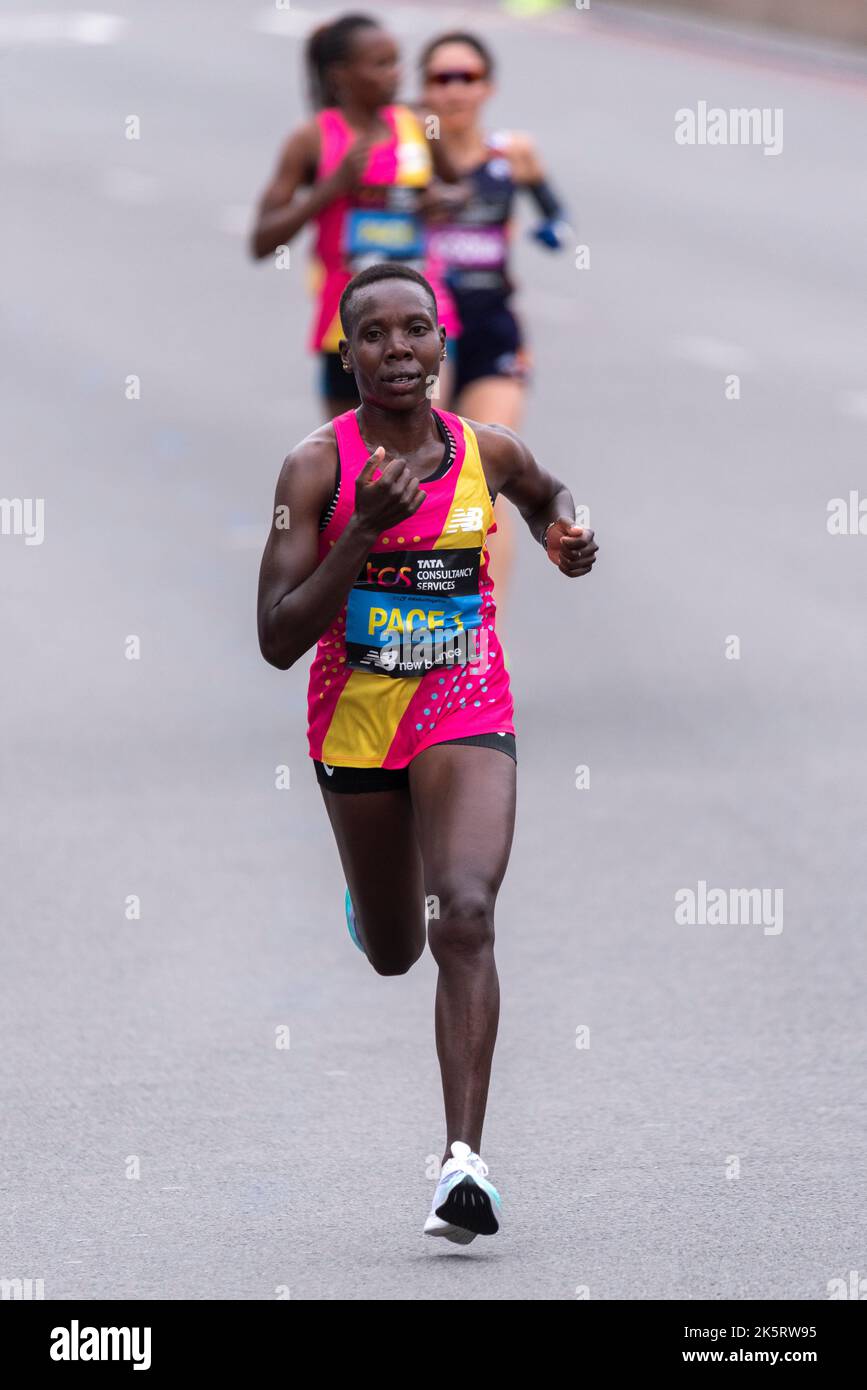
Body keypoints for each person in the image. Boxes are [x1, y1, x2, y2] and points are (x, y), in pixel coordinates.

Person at [257, 263, 598, 1242]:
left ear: (443, 347)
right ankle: (379, 899)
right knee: (400, 950)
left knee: (470, 912)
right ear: (347, 350)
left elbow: (548, 492)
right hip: (358, 720)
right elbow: (278, 637)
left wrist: (567, 534)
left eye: (417, 331)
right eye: (375, 335)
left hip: (464, 699)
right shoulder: (313, 470)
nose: (398, 350)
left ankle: (463, 1164)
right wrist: (362, 528)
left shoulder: (485, 450)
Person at [417, 31, 570, 625]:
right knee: (422, 478)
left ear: (488, 87)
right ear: (424, 87)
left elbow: (557, 213)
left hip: (494, 332)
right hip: (422, 339)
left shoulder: (514, 154)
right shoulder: (406, 155)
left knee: (487, 477)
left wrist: (554, 231)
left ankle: (486, 638)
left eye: (468, 77)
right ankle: (416, 617)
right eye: (442, 78)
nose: (455, 89)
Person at [249, 12, 464, 419]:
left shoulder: (420, 125)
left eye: (397, 61)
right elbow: (262, 241)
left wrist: (444, 199)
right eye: (381, 64)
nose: (396, 74)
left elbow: (461, 187)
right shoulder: (312, 138)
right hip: (348, 328)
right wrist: (332, 188)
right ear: (340, 75)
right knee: (356, 469)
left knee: (427, 441)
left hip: (423, 311)